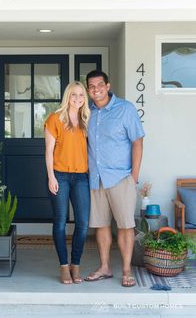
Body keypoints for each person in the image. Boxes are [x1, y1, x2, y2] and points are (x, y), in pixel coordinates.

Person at [84, 70, 145, 287]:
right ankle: (104, 267)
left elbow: (137, 142)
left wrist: (134, 177)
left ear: (108, 86)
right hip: (96, 179)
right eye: (91, 86)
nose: (96, 89)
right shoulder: (87, 112)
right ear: (88, 90)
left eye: (100, 85)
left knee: (126, 226)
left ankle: (127, 270)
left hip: (121, 178)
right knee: (100, 225)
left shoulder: (125, 109)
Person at [44, 81, 90, 285]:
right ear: (67, 96)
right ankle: (64, 266)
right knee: (60, 223)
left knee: (83, 223)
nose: (78, 99)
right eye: (74, 95)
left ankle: (75, 265)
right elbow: (48, 151)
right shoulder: (55, 118)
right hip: (60, 176)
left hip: (81, 177)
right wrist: (51, 176)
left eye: (81, 95)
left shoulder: (86, 119)